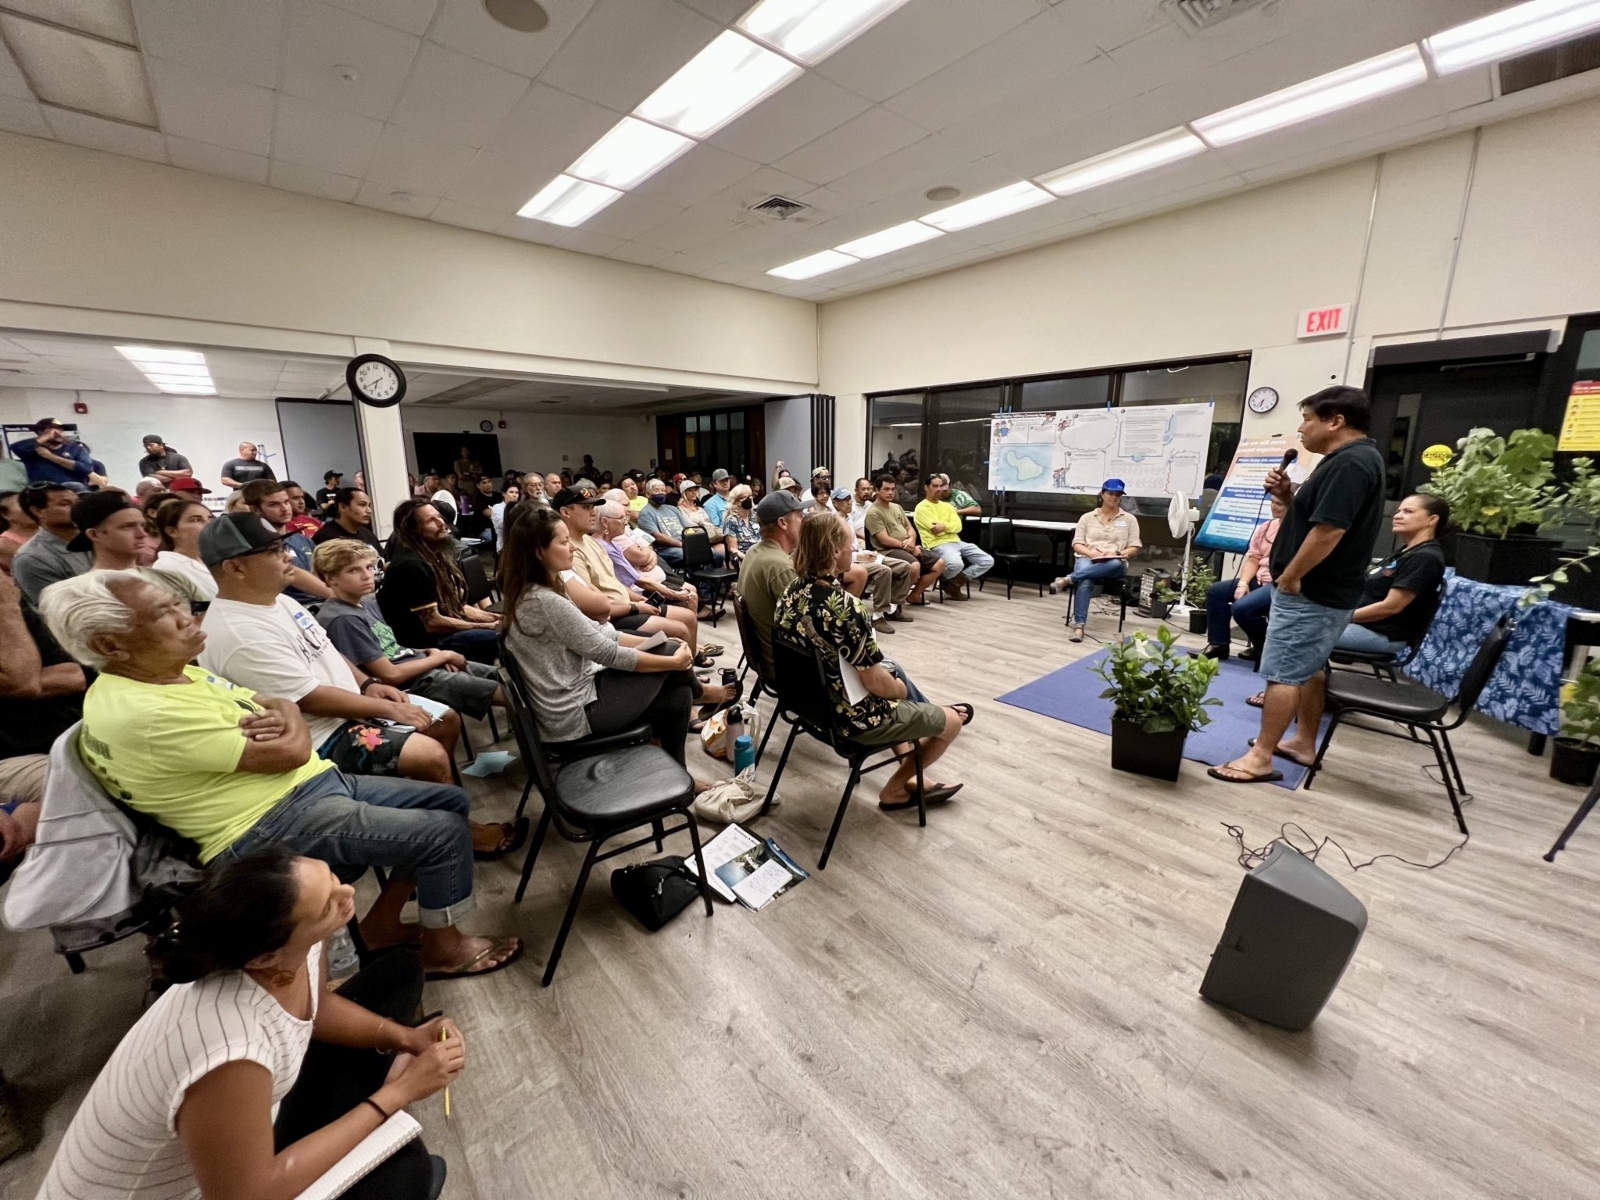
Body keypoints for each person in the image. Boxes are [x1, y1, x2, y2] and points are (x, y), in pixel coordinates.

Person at [37, 569, 520, 975]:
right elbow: (288, 742)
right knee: (437, 832)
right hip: (258, 824)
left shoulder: (176, 671)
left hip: (301, 788)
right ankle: (444, 949)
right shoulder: (142, 710)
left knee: (449, 801)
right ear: (110, 644)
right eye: (165, 613)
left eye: (179, 603)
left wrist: (283, 718)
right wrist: (287, 719)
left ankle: (386, 923)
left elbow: (273, 712)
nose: (188, 616)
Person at [38, 846, 459, 1200]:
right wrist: (397, 1094)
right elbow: (250, 1195)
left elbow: (314, 1009)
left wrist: (404, 1038)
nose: (347, 893)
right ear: (266, 958)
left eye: (333, 879)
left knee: (399, 973)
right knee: (406, 1177)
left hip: (234, 1131)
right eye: (328, 903)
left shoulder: (284, 944)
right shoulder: (228, 1048)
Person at [197, 515, 491, 815]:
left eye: (282, 546)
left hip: (351, 706)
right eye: (273, 551)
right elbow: (310, 698)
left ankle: (432, 809)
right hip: (322, 735)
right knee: (429, 755)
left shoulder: (280, 601)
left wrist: (368, 684)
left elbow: (325, 648)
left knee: (445, 720)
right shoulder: (239, 632)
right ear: (234, 567)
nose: (287, 555)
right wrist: (388, 708)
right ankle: (450, 825)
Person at [1211, 386, 1387, 785]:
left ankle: (1260, 758)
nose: (1301, 427)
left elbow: (1328, 531)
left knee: (1284, 674)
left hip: (1311, 591)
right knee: (1308, 670)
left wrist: (1290, 576)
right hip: (1322, 591)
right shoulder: (1348, 460)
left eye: (1307, 418)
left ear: (1335, 421)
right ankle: (1304, 742)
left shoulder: (1350, 464)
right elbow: (1315, 518)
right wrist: (1288, 495)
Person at [774, 513, 969, 810]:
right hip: (849, 720)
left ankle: (910, 765)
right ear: (835, 549)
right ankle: (894, 790)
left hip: (810, 707)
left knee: (890, 673)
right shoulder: (846, 608)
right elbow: (874, 683)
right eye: (851, 543)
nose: (855, 549)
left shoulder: (790, 593)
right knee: (950, 721)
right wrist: (901, 691)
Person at [502, 508, 715, 772]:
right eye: (563, 542)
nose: (571, 548)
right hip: (574, 716)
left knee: (675, 688)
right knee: (669, 656)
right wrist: (671, 663)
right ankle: (701, 694)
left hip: (581, 693)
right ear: (539, 552)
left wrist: (661, 648)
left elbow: (602, 633)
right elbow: (607, 653)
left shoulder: (546, 589)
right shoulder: (545, 601)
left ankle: (679, 772)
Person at [314, 539, 507, 729]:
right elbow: (390, 674)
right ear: (330, 578)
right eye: (353, 570)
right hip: (409, 683)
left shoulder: (364, 602)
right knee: (507, 694)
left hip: (418, 664)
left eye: (368, 567)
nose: (367, 576)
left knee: (504, 679)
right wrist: (443, 656)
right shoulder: (343, 619)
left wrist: (431, 653)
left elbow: (391, 649)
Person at [0, 569, 85, 881]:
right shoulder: (5, 600)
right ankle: (88, 923)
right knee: (84, 781)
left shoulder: (11, 596)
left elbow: (75, 674)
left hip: (66, 734)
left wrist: (22, 678)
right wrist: (4, 609)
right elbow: (24, 681)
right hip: (10, 759)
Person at [557, 486, 707, 652]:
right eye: (586, 507)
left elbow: (614, 581)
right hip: (613, 615)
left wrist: (637, 599)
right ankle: (686, 666)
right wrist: (634, 606)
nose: (593, 512)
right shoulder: (570, 551)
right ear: (566, 512)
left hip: (627, 603)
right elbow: (593, 601)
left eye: (593, 507)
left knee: (688, 617)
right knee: (680, 628)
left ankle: (690, 662)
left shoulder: (590, 541)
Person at [378, 499, 500, 664]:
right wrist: (484, 626)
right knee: (495, 637)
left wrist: (493, 618)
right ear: (413, 530)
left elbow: (455, 607)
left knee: (505, 628)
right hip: (426, 643)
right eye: (431, 520)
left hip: (440, 633)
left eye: (439, 517)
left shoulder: (433, 556)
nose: (442, 523)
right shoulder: (411, 565)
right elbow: (433, 623)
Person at [1335, 493, 1450, 655]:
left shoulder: (1425, 558)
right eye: (1398, 511)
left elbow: (1390, 607)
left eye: (1408, 512)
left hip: (1380, 634)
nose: (1397, 516)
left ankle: (1307, 680)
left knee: (1303, 632)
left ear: (1432, 520)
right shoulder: (1406, 551)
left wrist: (1340, 617)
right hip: (1358, 624)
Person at [1054, 478, 1142, 643]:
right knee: (1086, 580)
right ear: (1102, 494)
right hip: (1088, 557)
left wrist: (1116, 552)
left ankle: (1068, 579)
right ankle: (1079, 626)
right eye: (1110, 493)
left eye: (1118, 494)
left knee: (1114, 564)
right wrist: (1092, 554)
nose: (1114, 497)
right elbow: (1077, 544)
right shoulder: (1087, 517)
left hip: (1114, 562)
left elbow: (1134, 547)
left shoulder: (1129, 519)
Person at [1201, 493, 1285, 661]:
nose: (1274, 506)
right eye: (1272, 502)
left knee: (1242, 608)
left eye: (1280, 504)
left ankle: (1265, 648)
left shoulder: (1300, 530)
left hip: (1279, 583)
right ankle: (1219, 645)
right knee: (1216, 591)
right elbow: (1253, 558)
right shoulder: (1266, 527)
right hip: (1258, 579)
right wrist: (1243, 583)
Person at [735, 490, 806, 673]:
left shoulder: (755, 550)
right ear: (783, 523)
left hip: (765, 657)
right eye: (799, 516)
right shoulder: (779, 566)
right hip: (783, 665)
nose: (804, 521)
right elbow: (807, 622)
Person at [832, 486, 912, 630]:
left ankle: (892, 608)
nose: (849, 502)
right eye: (844, 500)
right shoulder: (833, 522)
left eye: (849, 499)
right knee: (884, 571)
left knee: (904, 566)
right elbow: (838, 552)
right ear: (835, 503)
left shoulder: (848, 518)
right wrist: (859, 555)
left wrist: (865, 553)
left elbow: (854, 544)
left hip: (859, 554)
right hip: (849, 560)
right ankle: (878, 616)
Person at [243, 478, 331, 601]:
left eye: (286, 502)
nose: (285, 509)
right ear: (255, 510)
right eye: (274, 504)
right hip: (287, 607)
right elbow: (292, 575)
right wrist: (339, 596)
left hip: (323, 602)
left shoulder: (303, 540)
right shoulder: (251, 546)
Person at [864, 473, 943, 605]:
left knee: (939, 563)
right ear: (877, 490)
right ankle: (894, 603)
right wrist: (907, 547)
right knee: (914, 566)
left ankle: (914, 595)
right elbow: (884, 540)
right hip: (887, 551)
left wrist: (911, 540)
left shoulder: (897, 507)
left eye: (893, 489)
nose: (890, 492)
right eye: (886, 489)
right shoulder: (873, 512)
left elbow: (910, 529)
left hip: (906, 546)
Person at [914, 473, 992, 600]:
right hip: (937, 544)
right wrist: (949, 526)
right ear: (926, 487)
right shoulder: (922, 508)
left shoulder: (947, 506)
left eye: (941, 486)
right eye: (935, 486)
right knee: (956, 564)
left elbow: (958, 527)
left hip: (956, 541)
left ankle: (952, 582)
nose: (939, 489)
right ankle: (949, 581)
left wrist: (944, 526)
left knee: (987, 561)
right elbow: (934, 530)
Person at [10, 483, 92, 604]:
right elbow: (58, 609)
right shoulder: (31, 558)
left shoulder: (97, 537)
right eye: (65, 504)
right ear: (38, 511)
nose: (77, 508)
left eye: (77, 502)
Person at [148, 493, 219, 602]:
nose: (208, 524)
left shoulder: (214, 559)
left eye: (210, 518)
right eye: (196, 520)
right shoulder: (167, 567)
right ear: (172, 531)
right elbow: (183, 609)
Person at [12, 417, 103, 490]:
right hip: (44, 494)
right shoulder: (33, 451)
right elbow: (17, 448)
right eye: (51, 429)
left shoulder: (76, 449)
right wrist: (46, 436)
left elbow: (86, 469)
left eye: (59, 429)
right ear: (40, 432)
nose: (57, 433)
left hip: (75, 492)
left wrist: (50, 456)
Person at [312, 486, 386, 556]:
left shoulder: (367, 534)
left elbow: (384, 561)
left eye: (369, 506)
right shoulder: (327, 539)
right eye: (362, 505)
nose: (369, 510)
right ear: (343, 507)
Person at [636, 477, 689, 570]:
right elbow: (658, 537)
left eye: (663, 490)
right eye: (656, 490)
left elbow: (688, 528)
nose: (661, 493)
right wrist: (682, 544)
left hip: (685, 543)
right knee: (694, 555)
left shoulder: (673, 509)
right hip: (665, 549)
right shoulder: (645, 513)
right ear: (648, 493)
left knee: (716, 555)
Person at [0, 490, 37, 578]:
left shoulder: (51, 532)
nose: (30, 508)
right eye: (22, 504)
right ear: (5, 514)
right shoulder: (4, 544)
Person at [721, 483, 760, 560]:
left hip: (760, 555)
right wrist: (747, 559)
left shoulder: (755, 516)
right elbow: (733, 549)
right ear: (736, 501)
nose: (749, 499)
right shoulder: (732, 520)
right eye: (745, 497)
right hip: (744, 559)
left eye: (750, 496)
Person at [491, 480, 521, 545]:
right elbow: (501, 524)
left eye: (517, 493)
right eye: (511, 492)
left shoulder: (521, 506)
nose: (514, 495)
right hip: (504, 544)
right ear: (504, 493)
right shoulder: (497, 507)